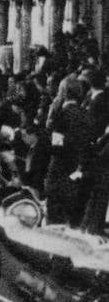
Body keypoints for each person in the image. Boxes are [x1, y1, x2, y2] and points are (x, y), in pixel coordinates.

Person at [45, 75, 92, 224]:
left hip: (59, 170)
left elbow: (56, 146)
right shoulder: (86, 114)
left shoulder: (61, 115)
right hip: (77, 169)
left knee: (55, 219)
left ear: (63, 92)